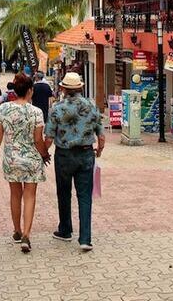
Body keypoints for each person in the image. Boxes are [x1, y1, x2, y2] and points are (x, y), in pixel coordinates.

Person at [44, 72, 105, 252]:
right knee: (85, 196)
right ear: (80, 87)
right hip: (86, 154)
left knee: (63, 192)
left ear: (63, 88)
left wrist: (43, 153)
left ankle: (65, 229)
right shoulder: (92, 106)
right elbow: (101, 135)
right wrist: (99, 150)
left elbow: (48, 137)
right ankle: (85, 238)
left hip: (63, 155)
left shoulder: (57, 108)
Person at [0, 73, 51, 253]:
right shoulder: (36, 112)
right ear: (30, 91)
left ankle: (17, 230)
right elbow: (38, 139)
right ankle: (26, 234)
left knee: (15, 195)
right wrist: (44, 154)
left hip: (11, 158)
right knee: (30, 196)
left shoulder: (3, 109)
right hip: (32, 160)